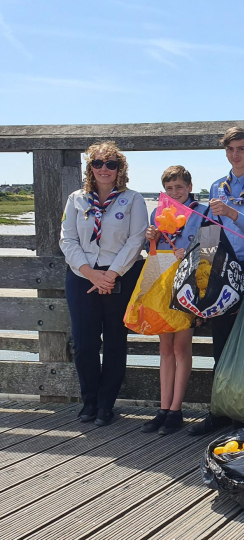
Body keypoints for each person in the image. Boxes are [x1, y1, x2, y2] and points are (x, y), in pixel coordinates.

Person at [189, 126, 244, 436]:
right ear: (226, 152)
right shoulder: (217, 185)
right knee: (221, 340)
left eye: (241, 149)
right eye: (231, 149)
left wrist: (233, 213)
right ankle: (219, 410)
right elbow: (210, 231)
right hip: (221, 267)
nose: (236, 154)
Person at [59, 141, 148, 426]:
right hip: (82, 277)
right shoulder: (76, 199)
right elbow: (67, 239)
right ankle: (89, 402)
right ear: (90, 168)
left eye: (111, 164)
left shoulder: (133, 199)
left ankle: (106, 405)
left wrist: (111, 274)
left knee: (114, 342)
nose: (104, 169)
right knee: (84, 344)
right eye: (98, 163)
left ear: (120, 169)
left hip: (119, 277)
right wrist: (90, 272)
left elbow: (137, 240)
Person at [141, 166, 207, 434]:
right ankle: (163, 408)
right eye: (169, 188)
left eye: (179, 187)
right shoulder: (158, 212)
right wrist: (151, 239)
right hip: (162, 281)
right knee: (164, 348)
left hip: (189, 282)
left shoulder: (202, 212)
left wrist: (189, 252)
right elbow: (150, 251)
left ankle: (176, 410)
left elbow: (211, 247)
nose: (174, 192)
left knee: (181, 348)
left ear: (190, 186)